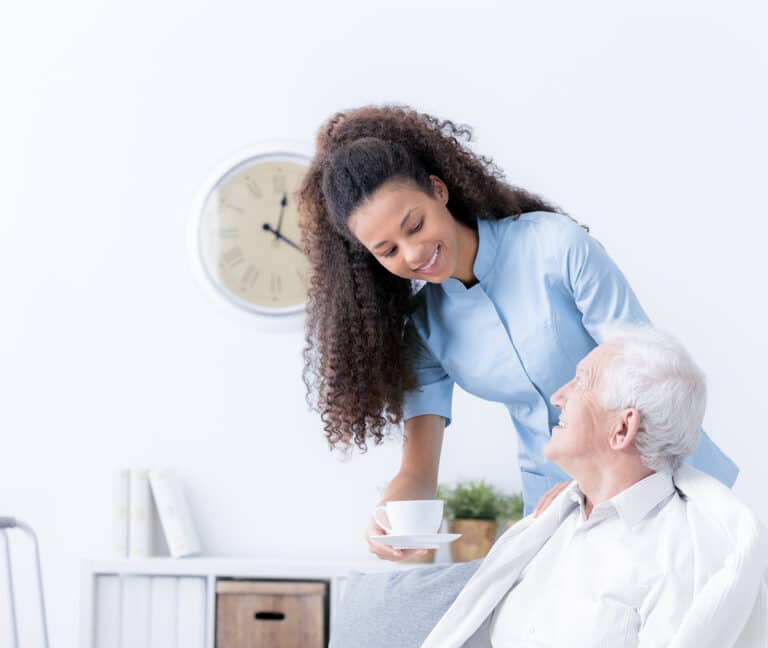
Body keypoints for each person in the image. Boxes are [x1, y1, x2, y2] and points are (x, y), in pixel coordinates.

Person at [296, 104, 738, 561]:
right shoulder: (426, 328)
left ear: (438, 190)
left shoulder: (554, 246)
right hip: (556, 511)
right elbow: (419, 469)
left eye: (416, 225)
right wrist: (394, 513)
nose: (413, 253)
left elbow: (648, 378)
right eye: (387, 250)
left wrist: (592, 481)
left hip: (666, 485)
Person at [400, 327, 768, 648]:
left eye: (580, 381)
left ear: (622, 429)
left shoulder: (680, 556)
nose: (558, 396)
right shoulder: (547, 528)